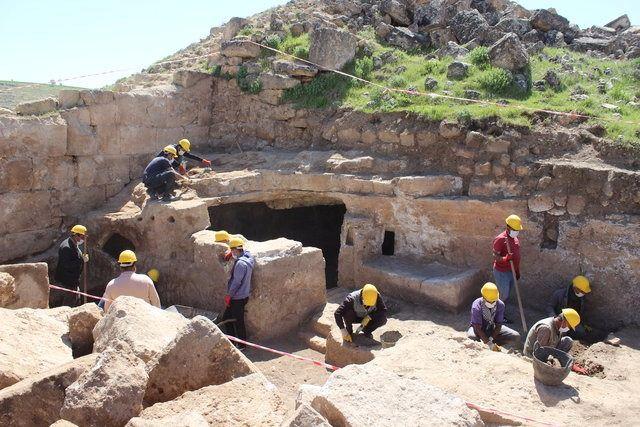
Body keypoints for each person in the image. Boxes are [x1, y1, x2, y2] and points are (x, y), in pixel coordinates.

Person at [220, 236, 255, 349]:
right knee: (230, 319)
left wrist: (228, 296)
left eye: (232, 250)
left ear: (236, 250)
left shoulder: (240, 264)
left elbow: (236, 282)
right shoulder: (249, 258)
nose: (231, 253)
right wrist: (232, 254)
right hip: (244, 295)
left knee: (237, 321)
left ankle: (241, 345)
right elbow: (247, 252)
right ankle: (234, 342)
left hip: (237, 298)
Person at [467, 282, 520, 351]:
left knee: (515, 336)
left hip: (492, 328)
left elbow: (498, 325)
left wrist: (491, 338)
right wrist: (488, 343)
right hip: (478, 330)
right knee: (471, 337)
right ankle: (482, 348)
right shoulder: (476, 306)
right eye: (489, 301)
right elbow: (477, 328)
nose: (492, 303)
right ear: (483, 297)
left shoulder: (500, 305)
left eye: (493, 301)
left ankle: (501, 346)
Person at [546, 275, 600, 342]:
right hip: (562, 321)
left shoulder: (581, 298)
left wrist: (583, 324)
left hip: (573, 322)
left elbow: (580, 312)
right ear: (575, 288)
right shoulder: (559, 294)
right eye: (582, 291)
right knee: (559, 335)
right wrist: (555, 318)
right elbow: (550, 306)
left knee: (582, 332)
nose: (584, 293)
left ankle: (568, 334)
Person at [492, 214, 523, 322]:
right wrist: (505, 258)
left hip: (511, 271)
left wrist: (517, 270)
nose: (517, 231)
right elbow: (495, 256)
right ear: (508, 227)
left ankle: (500, 312)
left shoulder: (514, 238)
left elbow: (516, 256)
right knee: (503, 295)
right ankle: (496, 316)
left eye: (518, 230)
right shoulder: (500, 239)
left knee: (506, 295)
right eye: (515, 229)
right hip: (501, 272)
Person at [53, 224, 89, 307]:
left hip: (73, 282)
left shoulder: (73, 244)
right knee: (68, 305)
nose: (83, 239)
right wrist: (81, 260)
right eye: (82, 237)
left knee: (76, 301)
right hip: (67, 283)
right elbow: (67, 265)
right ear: (76, 235)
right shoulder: (67, 247)